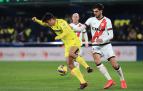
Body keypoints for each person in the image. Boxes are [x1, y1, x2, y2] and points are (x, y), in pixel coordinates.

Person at [32, 12, 93, 89]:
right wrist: (36, 20)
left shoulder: (61, 22)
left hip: (74, 41)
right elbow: (43, 23)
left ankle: (87, 67)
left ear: (51, 19)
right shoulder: (51, 24)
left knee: (71, 53)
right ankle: (83, 82)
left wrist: (59, 36)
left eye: (48, 22)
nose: (48, 24)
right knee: (70, 65)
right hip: (67, 45)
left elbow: (66, 31)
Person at [83, 3, 127, 89]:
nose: (94, 13)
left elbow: (111, 35)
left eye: (96, 11)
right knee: (97, 61)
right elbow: (83, 27)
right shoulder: (91, 20)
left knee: (114, 65)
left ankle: (122, 80)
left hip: (106, 45)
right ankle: (110, 80)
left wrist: (103, 39)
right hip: (95, 44)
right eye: (94, 11)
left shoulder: (107, 20)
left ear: (101, 11)